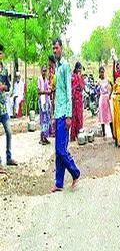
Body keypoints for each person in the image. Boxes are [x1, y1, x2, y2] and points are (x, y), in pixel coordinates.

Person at [50, 38, 80, 193]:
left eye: (56, 48)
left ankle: (75, 172)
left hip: (64, 114)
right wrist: (56, 116)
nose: (54, 51)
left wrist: (69, 115)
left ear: (61, 48)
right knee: (58, 150)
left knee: (62, 150)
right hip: (58, 113)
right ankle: (59, 183)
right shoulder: (57, 67)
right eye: (53, 48)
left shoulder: (66, 66)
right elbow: (59, 92)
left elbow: (68, 92)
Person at [0, 44, 17, 174]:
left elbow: (8, 85)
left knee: (9, 132)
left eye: (1, 53)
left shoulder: (4, 69)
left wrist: (4, 87)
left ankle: (9, 157)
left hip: (3, 107)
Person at [70, 62, 85, 142]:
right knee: (74, 116)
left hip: (79, 98)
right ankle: (73, 135)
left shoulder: (81, 77)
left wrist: (79, 78)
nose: (79, 70)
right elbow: (70, 87)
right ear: (75, 69)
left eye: (80, 69)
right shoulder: (72, 77)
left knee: (79, 116)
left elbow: (82, 87)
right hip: (74, 98)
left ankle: (79, 134)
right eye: (78, 68)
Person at [97, 66, 113, 139]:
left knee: (109, 115)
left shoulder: (107, 80)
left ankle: (113, 133)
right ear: (99, 73)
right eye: (101, 72)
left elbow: (112, 85)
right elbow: (96, 89)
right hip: (101, 98)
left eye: (103, 72)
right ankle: (104, 134)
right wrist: (98, 94)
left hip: (106, 97)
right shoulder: (98, 81)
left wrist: (110, 94)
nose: (102, 73)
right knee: (102, 116)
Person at [38, 66, 52, 145]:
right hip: (42, 101)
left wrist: (49, 90)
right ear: (41, 71)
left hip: (46, 101)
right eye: (43, 71)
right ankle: (41, 138)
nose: (44, 72)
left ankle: (45, 137)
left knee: (47, 119)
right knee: (43, 119)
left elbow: (47, 89)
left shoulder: (46, 80)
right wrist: (46, 92)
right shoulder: (39, 79)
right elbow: (39, 92)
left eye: (45, 71)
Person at [48, 54, 56, 137]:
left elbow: (54, 82)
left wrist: (52, 88)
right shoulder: (50, 70)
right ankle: (52, 130)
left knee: (54, 111)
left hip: (54, 92)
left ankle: (54, 130)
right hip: (50, 92)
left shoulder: (55, 70)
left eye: (48, 61)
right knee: (51, 111)